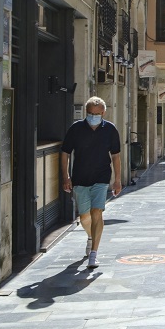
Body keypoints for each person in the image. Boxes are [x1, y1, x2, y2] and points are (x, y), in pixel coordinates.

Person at [61, 96, 121, 269]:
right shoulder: (76, 129)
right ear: (86, 113)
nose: (93, 116)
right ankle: (90, 236)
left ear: (103, 112)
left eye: (97, 113)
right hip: (80, 177)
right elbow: (65, 152)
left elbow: (115, 155)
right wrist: (66, 177)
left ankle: (93, 253)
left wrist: (117, 180)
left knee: (97, 212)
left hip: (101, 177)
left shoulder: (110, 129)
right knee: (84, 216)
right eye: (90, 113)